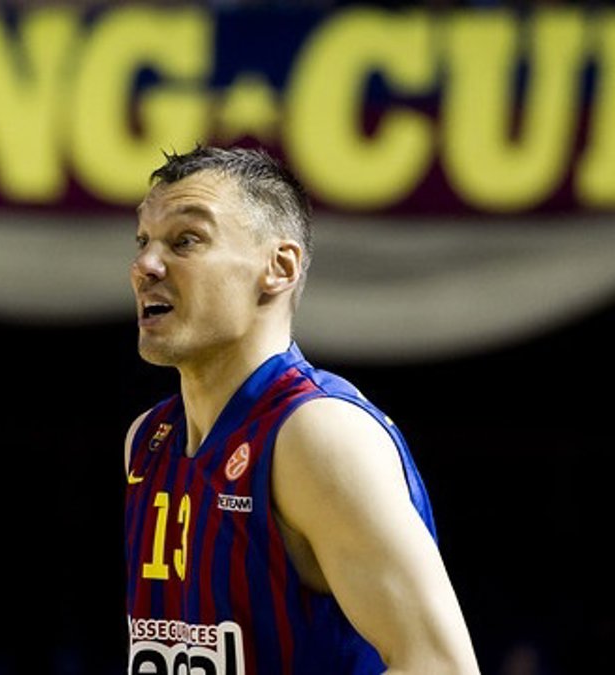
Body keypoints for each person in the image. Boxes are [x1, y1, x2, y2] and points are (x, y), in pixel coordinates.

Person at [123, 144, 480, 674]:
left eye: (185, 241)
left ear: (279, 267)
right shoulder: (149, 438)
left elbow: (440, 666)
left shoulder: (315, 434)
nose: (145, 266)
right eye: (143, 241)